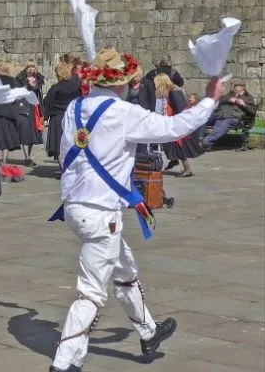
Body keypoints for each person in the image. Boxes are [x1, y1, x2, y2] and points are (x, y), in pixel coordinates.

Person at [48, 48, 223, 372]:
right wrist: (211, 99)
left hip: (73, 207)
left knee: (125, 268)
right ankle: (63, 365)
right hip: (102, 214)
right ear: (122, 82)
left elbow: (63, 154)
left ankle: (148, 332)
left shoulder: (74, 108)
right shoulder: (124, 113)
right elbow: (175, 127)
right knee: (90, 295)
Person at [153, 73, 203, 177]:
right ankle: (185, 167)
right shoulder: (171, 91)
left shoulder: (174, 92)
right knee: (178, 148)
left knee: (180, 148)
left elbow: (180, 108)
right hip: (173, 122)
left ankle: (187, 169)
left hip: (176, 123)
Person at [43, 58, 82, 175]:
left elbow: (47, 103)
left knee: (59, 146)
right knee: (74, 143)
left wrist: (45, 118)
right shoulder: (77, 86)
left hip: (58, 118)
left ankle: (63, 169)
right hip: (74, 117)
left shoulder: (55, 88)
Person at [202, 80, 257, 151]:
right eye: (234, 86)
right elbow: (219, 100)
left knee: (221, 126)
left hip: (234, 118)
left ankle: (206, 141)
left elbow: (253, 111)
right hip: (221, 115)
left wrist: (244, 104)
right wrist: (228, 99)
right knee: (202, 119)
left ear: (242, 87)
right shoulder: (230, 94)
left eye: (236, 86)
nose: (234, 88)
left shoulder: (248, 97)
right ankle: (202, 141)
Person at [15, 61, 45, 166]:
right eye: (29, 67)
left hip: (35, 108)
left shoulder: (38, 79)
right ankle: (27, 158)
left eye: (33, 67)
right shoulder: (19, 78)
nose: (31, 69)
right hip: (24, 107)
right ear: (26, 68)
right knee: (25, 132)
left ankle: (28, 155)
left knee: (33, 133)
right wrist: (27, 85)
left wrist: (42, 111)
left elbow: (39, 94)